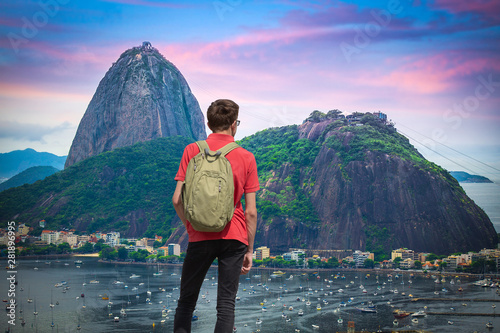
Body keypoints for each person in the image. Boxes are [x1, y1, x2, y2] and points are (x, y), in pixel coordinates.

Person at [172, 99, 260, 333]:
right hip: (234, 238)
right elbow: (250, 212)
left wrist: (191, 226)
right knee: (226, 305)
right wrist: (250, 250)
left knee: (186, 302)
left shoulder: (192, 150)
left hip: (199, 236)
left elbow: (177, 200)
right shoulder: (246, 157)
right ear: (234, 125)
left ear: (209, 123)